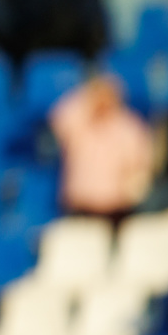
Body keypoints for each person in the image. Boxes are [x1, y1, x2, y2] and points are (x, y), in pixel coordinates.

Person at [49, 74, 155, 225]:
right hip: (79, 207)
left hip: (118, 210)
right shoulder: (78, 123)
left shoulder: (129, 127)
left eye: (107, 95)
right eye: (98, 95)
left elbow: (142, 165)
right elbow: (57, 117)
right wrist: (87, 95)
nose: (103, 99)